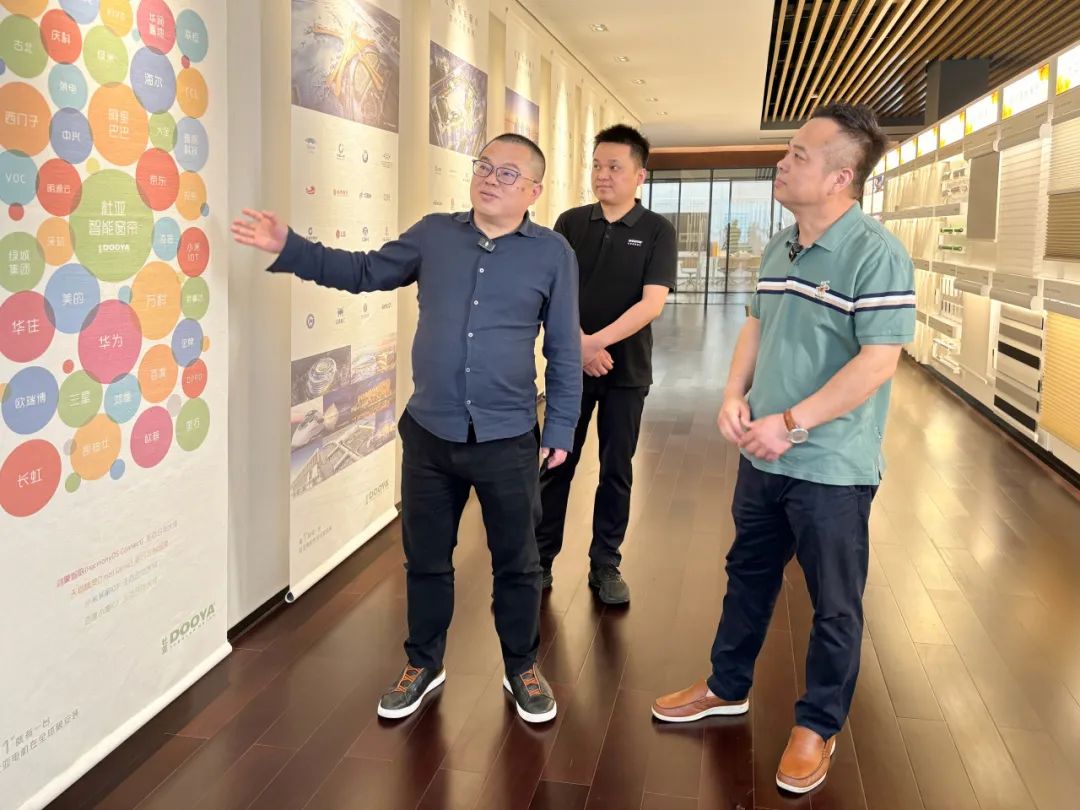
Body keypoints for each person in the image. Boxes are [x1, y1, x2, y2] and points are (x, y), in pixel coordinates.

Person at [231, 133, 581, 724]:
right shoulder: (434, 235)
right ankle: (423, 662)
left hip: (507, 438)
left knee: (518, 563)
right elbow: (364, 271)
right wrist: (291, 247)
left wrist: (561, 427)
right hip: (430, 434)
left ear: (534, 191)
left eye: (507, 173)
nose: (490, 179)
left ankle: (521, 665)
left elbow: (565, 349)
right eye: (484, 166)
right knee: (425, 559)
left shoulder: (553, 254)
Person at [652, 104, 914, 795]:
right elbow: (756, 324)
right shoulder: (781, 245)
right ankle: (727, 684)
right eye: (788, 151)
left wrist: (791, 423)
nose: (783, 161)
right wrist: (733, 394)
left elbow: (879, 361)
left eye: (799, 154)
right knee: (748, 573)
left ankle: (817, 725)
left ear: (841, 177)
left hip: (831, 466)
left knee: (835, 602)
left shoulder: (876, 252)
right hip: (762, 453)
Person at [533, 125, 675, 604]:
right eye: (596, 165)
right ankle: (540, 559)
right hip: (570, 369)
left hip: (626, 372)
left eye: (614, 166)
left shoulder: (657, 230)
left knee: (616, 469)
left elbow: (652, 303)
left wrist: (595, 343)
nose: (602, 174)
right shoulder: (571, 223)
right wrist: (579, 347)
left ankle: (605, 562)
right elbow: (551, 290)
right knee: (557, 461)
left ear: (640, 175)